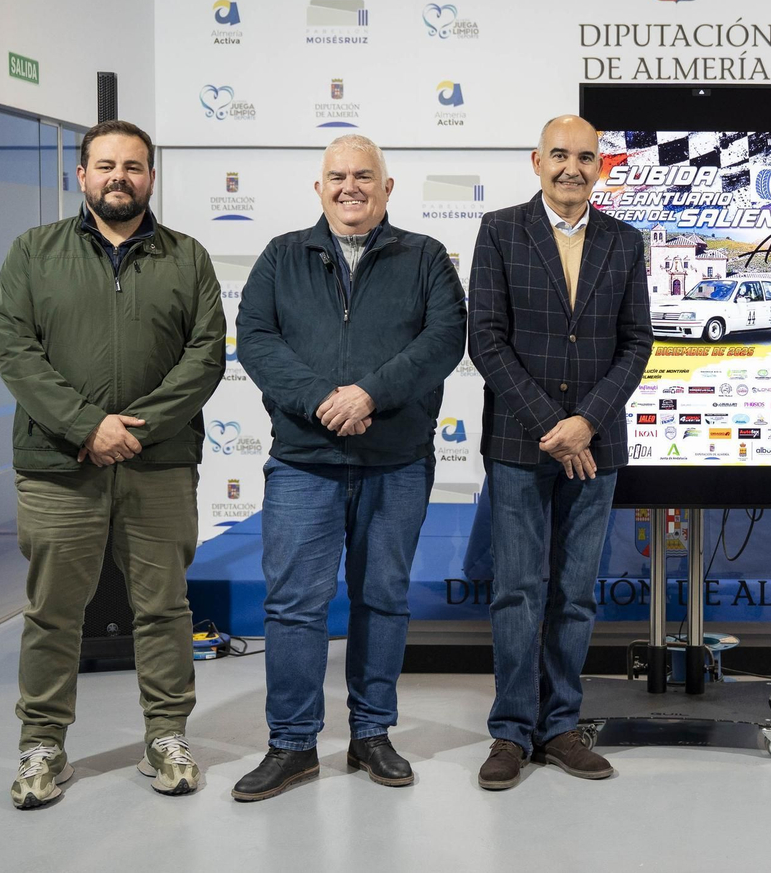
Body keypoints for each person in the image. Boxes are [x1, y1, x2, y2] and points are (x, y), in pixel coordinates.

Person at [0, 119, 225, 808]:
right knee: (53, 613)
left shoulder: (188, 257)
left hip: (159, 466)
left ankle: (167, 736)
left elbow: (206, 355)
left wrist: (135, 431)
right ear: (81, 175)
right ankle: (42, 745)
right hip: (58, 466)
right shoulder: (33, 252)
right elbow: (16, 353)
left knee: (165, 609)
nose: (118, 177)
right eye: (105, 165)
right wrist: (87, 427)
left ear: (150, 176)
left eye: (132, 166)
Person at [231, 134, 466, 801]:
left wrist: (369, 395)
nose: (350, 187)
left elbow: (444, 339)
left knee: (383, 599)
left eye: (365, 175)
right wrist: (322, 401)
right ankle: (292, 744)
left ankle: (371, 734)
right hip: (304, 461)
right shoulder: (282, 256)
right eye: (337, 176)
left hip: (396, 461)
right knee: (294, 607)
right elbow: (256, 340)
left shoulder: (425, 257)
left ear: (387, 187)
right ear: (319, 188)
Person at [469, 115, 652, 791]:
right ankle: (512, 732)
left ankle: (561, 727)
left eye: (584, 157)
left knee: (575, 594)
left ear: (600, 166)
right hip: (521, 442)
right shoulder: (499, 230)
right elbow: (486, 339)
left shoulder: (624, 241)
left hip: (596, 446)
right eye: (559, 155)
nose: (571, 167)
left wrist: (588, 422)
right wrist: (556, 425)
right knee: (518, 592)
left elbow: (637, 342)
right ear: (536, 162)